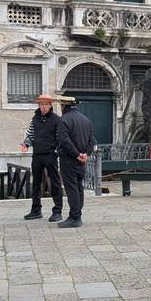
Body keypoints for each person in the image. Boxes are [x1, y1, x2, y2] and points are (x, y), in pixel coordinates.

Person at [20, 94, 63, 221]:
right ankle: (36, 210)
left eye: (46, 104)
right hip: (37, 155)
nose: (44, 107)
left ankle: (57, 211)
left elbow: (60, 137)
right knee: (36, 184)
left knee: (55, 183)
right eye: (41, 104)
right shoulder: (35, 119)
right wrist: (26, 144)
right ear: (39, 105)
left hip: (50, 154)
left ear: (50, 106)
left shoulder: (57, 120)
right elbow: (30, 134)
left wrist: (56, 151)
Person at [57, 96, 95, 228]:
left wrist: (76, 154)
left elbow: (64, 141)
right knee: (79, 187)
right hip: (81, 160)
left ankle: (75, 217)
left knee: (71, 187)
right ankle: (77, 214)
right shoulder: (86, 120)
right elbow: (92, 141)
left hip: (69, 159)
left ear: (64, 106)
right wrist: (86, 154)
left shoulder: (63, 120)